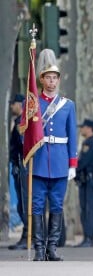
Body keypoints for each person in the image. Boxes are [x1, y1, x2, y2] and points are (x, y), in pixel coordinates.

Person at [31, 49, 78, 261]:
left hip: (59, 160)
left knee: (57, 205)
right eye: (48, 78)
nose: (51, 82)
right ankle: (39, 248)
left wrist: (72, 163)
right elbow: (26, 134)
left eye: (54, 78)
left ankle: (52, 248)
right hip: (39, 160)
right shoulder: (33, 104)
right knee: (38, 205)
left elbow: (72, 135)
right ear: (41, 80)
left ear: (58, 80)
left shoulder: (68, 105)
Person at [74, 119, 93, 247]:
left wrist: (73, 169)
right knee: (90, 207)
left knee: (87, 208)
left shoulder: (89, 143)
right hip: (91, 179)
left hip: (88, 179)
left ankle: (89, 237)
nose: (81, 129)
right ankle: (90, 236)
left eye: (83, 127)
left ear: (89, 128)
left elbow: (83, 162)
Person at [8, 93, 28, 250]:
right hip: (17, 166)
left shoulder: (24, 123)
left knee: (25, 203)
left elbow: (22, 146)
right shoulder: (17, 122)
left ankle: (29, 235)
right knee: (22, 204)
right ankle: (27, 234)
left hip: (23, 166)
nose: (11, 107)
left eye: (13, 103)